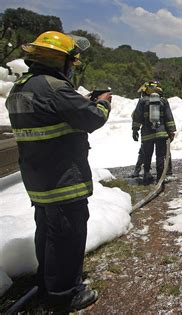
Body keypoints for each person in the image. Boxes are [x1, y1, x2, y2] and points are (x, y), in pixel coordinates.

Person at [5, 31, 111, 311]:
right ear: (62, 62)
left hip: (38, 178)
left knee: (48, 234)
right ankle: (65, 293)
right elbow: (92, 118)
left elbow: (53, 115)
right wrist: (102, 103)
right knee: (67, 237)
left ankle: (47, 282)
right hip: (63, 177)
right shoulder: (55, 88)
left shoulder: (21, 88)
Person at [131, 80, 175, 182]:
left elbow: (137, 117)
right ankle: (160, 177)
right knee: (160, 156)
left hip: (147, 134)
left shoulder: (142, 101)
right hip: (161, 134)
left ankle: (146, 174)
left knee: (147, 155)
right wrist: (171, 132)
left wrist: (135, 130)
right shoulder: (163, 101)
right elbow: (169, 117)